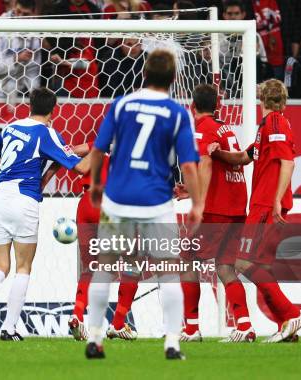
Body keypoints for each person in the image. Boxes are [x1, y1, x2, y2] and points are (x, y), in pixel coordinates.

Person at [84, 49, 202, 360]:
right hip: (156, 202)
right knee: (169, 273)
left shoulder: (121, 104)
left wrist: (96, 185)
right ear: (174, 78)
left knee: (104, 269)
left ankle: (95, 338)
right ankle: (173, 343)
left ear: (144, 74)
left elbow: (98, 150)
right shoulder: (178, 113)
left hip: (117, 200)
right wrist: (197, 204)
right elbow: (189, 166)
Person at [0, 88, 90, 341]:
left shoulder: (10, 127)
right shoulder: (48, 133)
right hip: (25, 200)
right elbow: (82, 168)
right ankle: (8, 328)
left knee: (0, 266)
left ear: (29, 106)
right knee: (23, 267)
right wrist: (93, 150)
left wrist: (11, 164)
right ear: (54, 111)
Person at [210, 79, 301, 343]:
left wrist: (276, 199)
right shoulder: (267, 126)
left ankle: (291, 313)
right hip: (264, 203)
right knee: (261, 264)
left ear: (263, 100)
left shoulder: (275, 123)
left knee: (244, 262)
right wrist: (218, 153)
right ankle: (286, 324)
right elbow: (244, 158)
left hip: (266, 204)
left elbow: (288, 162)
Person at [177, 84, 255, 343]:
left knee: (186, 260)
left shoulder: (203, 130)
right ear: (218, 105)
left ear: (192, 107)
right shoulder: (225, 128)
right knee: (224, 267)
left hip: (215, 211)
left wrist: (198, 202)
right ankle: (244, 326)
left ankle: (191, 328)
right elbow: (225, 167)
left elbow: (207, 164)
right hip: (235, 208)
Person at [66, 142, 139, 341]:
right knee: (133, 264)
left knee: (90, 267)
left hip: (86, 203)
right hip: (109, 204)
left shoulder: (99, 143)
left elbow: (72, 150)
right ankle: (117, 324)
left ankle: (77, 316)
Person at [0, 0, 41, 105]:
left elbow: (33, 71)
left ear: (33, 13)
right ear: (14, 6)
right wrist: (16, 59)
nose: (21, 17)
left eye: (26, 14)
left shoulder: (35, 31)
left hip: (19, 93)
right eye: (18, 12)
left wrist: (34, 97)